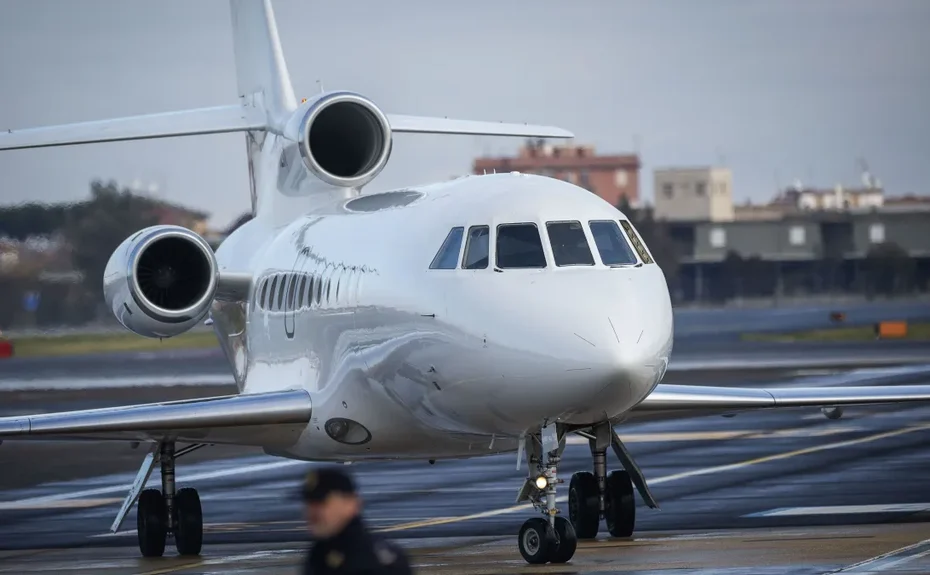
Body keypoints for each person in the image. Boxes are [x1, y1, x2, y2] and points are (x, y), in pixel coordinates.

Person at [300, 466, 413, 575]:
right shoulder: (320, 553)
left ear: (351, 504)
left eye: (321, 502)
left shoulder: (372, 562)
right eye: (309, 503)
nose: (311, 511)